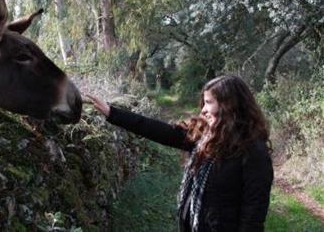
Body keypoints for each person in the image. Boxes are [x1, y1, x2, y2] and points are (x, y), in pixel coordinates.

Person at [86, 75, 273, 232]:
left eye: (208, 103)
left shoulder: (253, 151)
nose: (203, 110)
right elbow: (158, 130)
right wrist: (112, 113)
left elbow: (253, 214)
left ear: (229, 105)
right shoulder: (204, 136)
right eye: (203, 102)